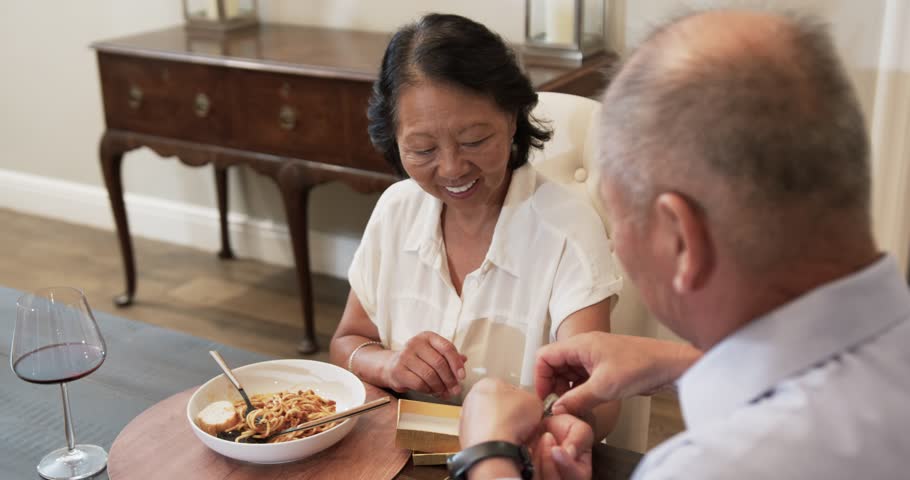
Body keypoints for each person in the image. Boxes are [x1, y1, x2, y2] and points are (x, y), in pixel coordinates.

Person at [458, 9, 910, 480]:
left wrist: (488, 453)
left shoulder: (714, 465)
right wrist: (681, 364)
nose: (618, 246)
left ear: (680, 239)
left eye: (618, 220)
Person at [329, 14, 623, 437]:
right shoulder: (396, 209)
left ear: (512, 117)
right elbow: (347, 342)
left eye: (474, 141)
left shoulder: (568, 231)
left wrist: (541, 416)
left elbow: (601, 404)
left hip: (519, 455)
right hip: (402, 451)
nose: (452, 168)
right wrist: (390, 365)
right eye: (423, 149)